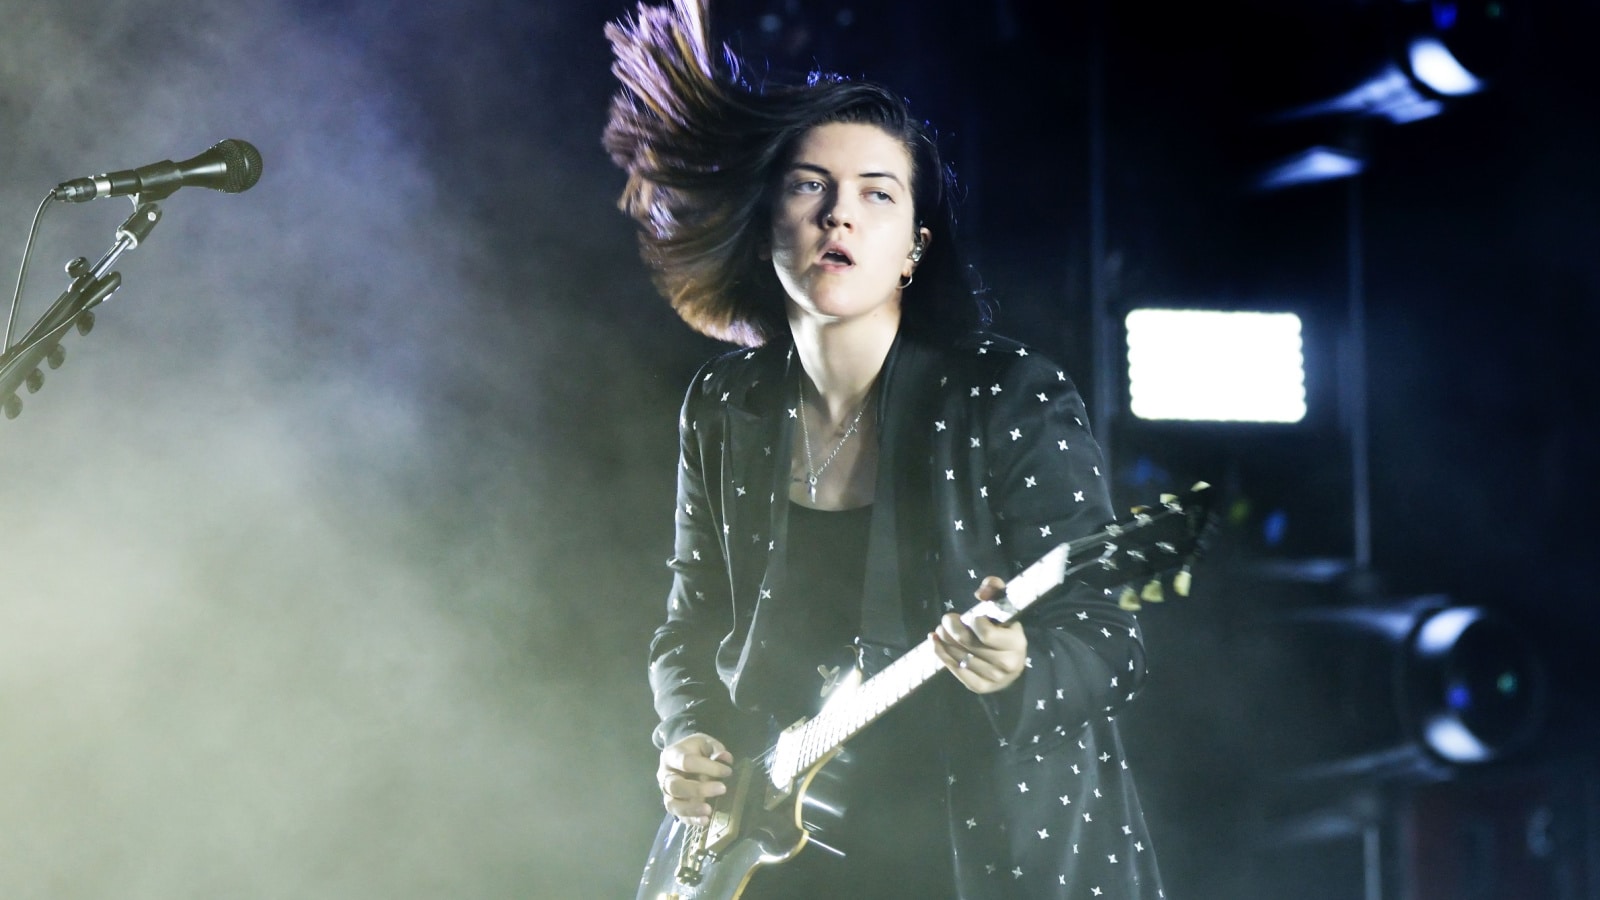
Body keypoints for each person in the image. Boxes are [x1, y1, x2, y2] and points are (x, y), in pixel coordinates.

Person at [605, 2, 1165, 896]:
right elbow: (690, 621)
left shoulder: (1008, 396)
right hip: (769, 852)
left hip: (972, 847)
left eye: (878, 193)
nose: (840, 217)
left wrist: (1019, 668)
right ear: (765, 222)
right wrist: (687, 738)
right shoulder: (722, 405)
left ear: (913, 247)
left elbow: (1109, 638)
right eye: (807, 185)